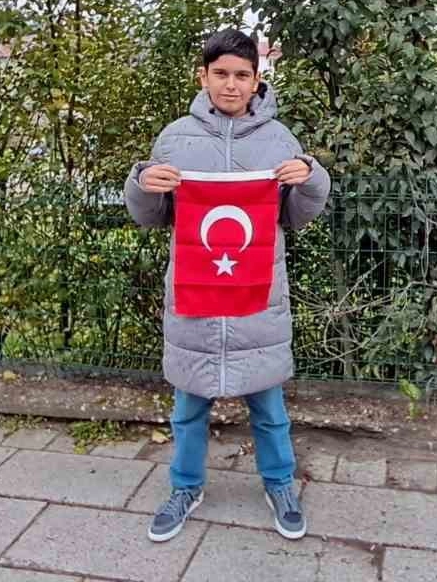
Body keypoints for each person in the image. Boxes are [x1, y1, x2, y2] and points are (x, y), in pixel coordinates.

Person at [124, 29, 331, 543]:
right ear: (203, 77)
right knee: (188, 409)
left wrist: (311, 177)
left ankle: (280, 484)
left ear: (257, 80)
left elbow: (297, 215)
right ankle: (185, 487)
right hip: (194, 298)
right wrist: (142, 184)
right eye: (221, 74)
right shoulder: (175, 139)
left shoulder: (279, 140)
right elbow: (152, 215)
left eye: (242, 75)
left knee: (269, 409)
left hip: (257, 299)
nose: (231, 84)